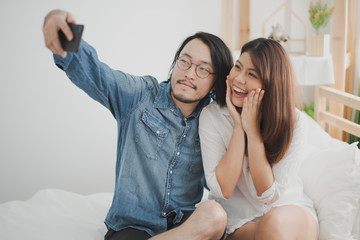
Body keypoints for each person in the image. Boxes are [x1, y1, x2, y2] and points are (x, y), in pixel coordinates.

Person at [43, 9, 233, 240]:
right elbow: (96, 73)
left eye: (203, 69)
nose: (190, 73)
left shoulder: (214, 121)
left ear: (215, 82)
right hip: (133, 228)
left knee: (216, 214)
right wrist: (56, 22)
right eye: (184, 61)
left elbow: (219, 181)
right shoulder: (140, 95)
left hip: (185, 228)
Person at [199, 38, 319, 240]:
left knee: (272, 225)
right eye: (238, 67)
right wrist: (239, 127)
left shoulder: (294, 122)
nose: (238, 79)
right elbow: (223, 189)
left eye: (252, 74)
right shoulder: (213, 116)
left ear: (271, 83)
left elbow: (268, 195)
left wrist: (252, 132)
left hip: (288, 209)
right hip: (239, 217)